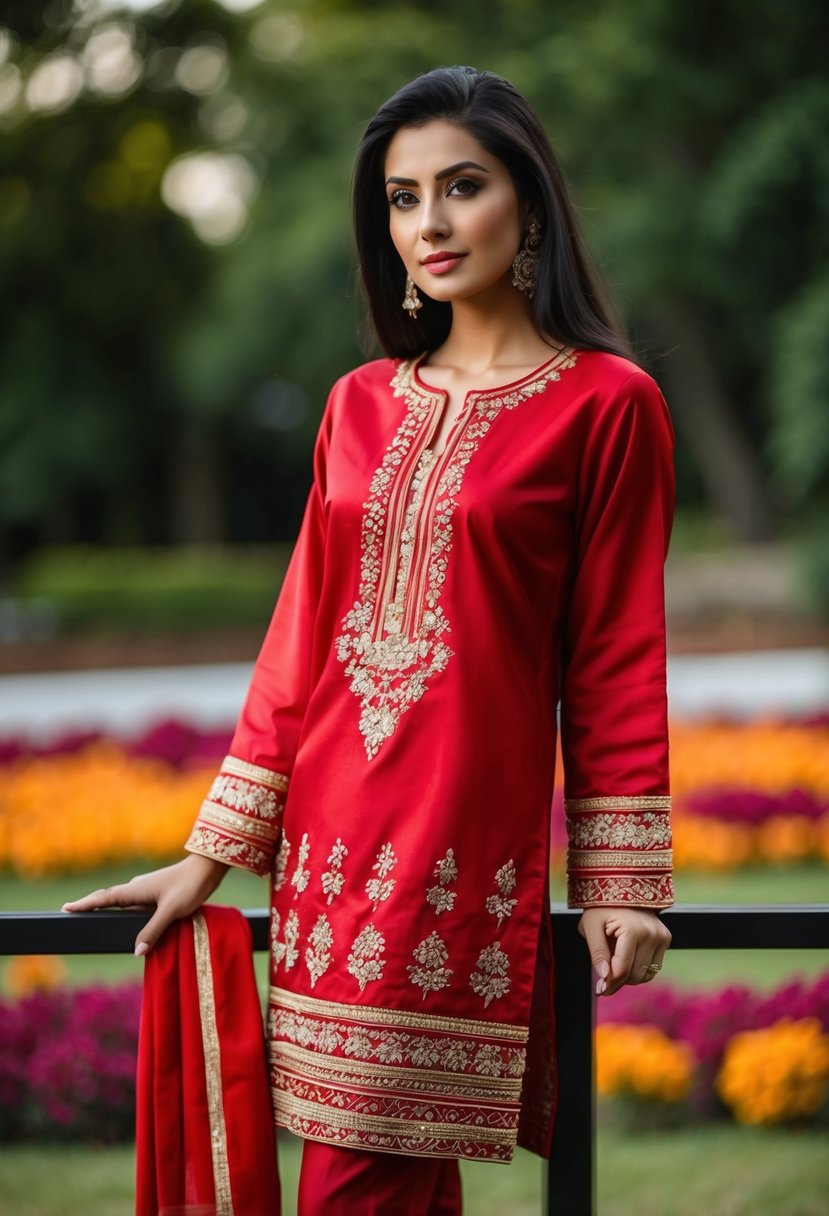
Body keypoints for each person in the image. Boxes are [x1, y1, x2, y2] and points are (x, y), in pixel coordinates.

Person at [65, 66, 674, 1216]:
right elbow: (301, 643)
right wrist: (211, 854)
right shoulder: (356, 405)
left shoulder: (607, 402)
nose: (429, 224)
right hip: (325, 864)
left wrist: (625, 878)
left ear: (527, 203)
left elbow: (612, 653)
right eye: (402, 198)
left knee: (362, 1184)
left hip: (456, 856)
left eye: (461, 187)